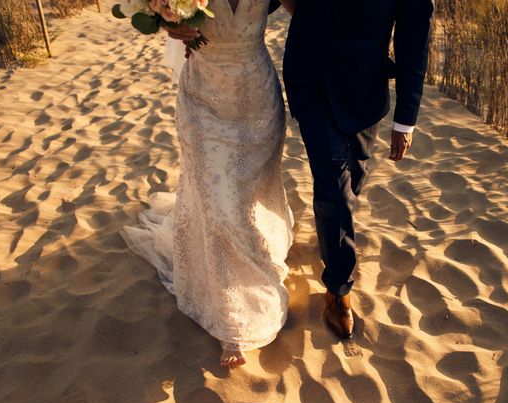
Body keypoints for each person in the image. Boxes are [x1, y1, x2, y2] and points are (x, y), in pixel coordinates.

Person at [121, 0, 296, 369]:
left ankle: (256, 267)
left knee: (248, 204)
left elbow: (306, 12)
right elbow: (152, 18)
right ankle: (232, 320)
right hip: (202, 96)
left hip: (257, 98)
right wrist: (168, 23)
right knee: (217, 203)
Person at [276, 0, 434, 338]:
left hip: (365, 89)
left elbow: (413, 39)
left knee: (351, 182)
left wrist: (406, 120)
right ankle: (339, 289)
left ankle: (330, 235)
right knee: (333, 186)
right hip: (311, 79)